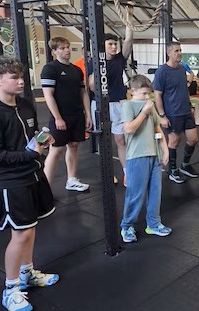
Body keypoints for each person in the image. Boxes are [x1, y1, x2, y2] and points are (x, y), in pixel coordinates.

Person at [0, 56, 60, 311]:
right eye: (14, 77)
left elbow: (30, 140)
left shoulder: (24, 105)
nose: (21, 81)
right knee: (20, 234)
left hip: (33, 174)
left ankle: (27, 274)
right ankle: (10, 289)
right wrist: (30, 154)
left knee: (30, 228)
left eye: (21, 76)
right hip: (11, 181)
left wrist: (42, 143)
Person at [119, 75, 171, 243]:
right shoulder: (128, 106)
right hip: (137, 156)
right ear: (133, 91)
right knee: (136, 194)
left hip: (154, 155)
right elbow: (129, 129)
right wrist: (144, 112)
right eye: (143, 93)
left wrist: (165, 150)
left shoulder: (149, 105)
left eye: (149, 93)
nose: (147, 97)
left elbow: (157, 128)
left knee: (155, 193)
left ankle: (153, 224)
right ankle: (127, 226)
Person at [41, 37, 93, 192]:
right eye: (62, 48)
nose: (67, 50)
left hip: (77, 115)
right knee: (56, 150)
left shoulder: (76, 70)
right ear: (54, 51)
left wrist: (88, 114)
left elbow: (83, 93)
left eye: (68, 47)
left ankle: (72, 180)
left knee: (74, 146)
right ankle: (44, 189)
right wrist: (58, 117)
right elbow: (48, 95)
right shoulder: (50, 69)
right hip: (61, 116)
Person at [87, 27, 133, 185]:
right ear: (103, 46)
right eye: (110, 44)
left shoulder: (119, 59)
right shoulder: (94, 62)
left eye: (115, 44)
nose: (114, 47)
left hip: (117, 104)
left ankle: (127, 174)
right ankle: (108, 173)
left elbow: (129, 40)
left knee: (120, 141)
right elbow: (91, 86)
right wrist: (97, 71)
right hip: (100, 105)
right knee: (104, 142)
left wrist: (128, 21)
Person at [153, 41, 199, 184]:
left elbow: (184, 90)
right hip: (172, 113)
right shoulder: (162, 71)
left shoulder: (181, 69)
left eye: (180, 50)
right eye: (176, 51)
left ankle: (185, 165)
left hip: (185, 111)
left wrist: (190, 106)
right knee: (174, 141)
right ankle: (172, 171)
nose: (179, 53)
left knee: (193, 139)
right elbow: (157, 95)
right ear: (169, 53)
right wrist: (162, 115)